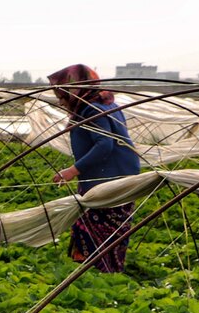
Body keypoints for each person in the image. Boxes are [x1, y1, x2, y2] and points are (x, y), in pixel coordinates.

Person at [48, 64, 142, 273]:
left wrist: (73, 170)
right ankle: (105, 271)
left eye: (63, 96)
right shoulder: (105, 105)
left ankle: (98, 271)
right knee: (109, 229)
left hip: (108, 179)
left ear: (75, 92)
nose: (61, 101)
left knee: (98, 227)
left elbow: (104, 145)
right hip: (117, 176)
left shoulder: (93, 109)